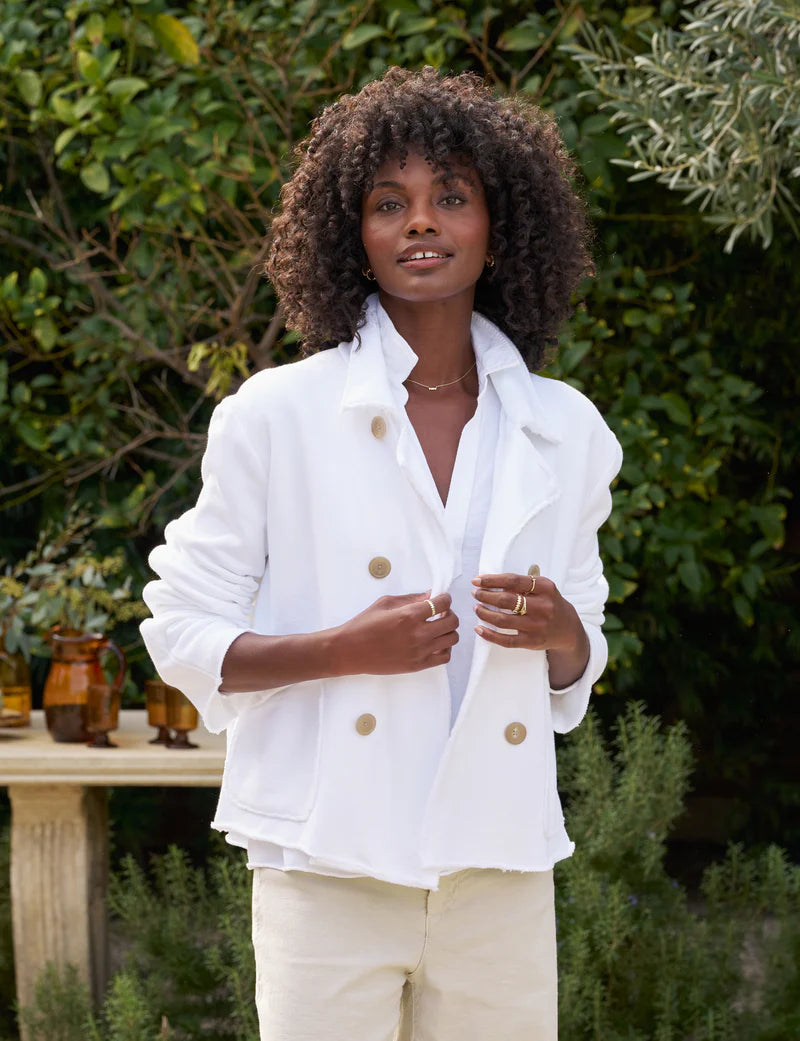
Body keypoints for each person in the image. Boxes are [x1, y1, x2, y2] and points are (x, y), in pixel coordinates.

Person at [141, 66, 622, 1041]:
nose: (420, 223)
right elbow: (182, 632)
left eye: (450, 197)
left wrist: (566, 633)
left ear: (499, 226)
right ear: (350, 233)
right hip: (328, 860)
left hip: (495, 860)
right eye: (387, 203)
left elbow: (573, 666)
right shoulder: (275, 416)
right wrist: (338, 649)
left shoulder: (564, 430)